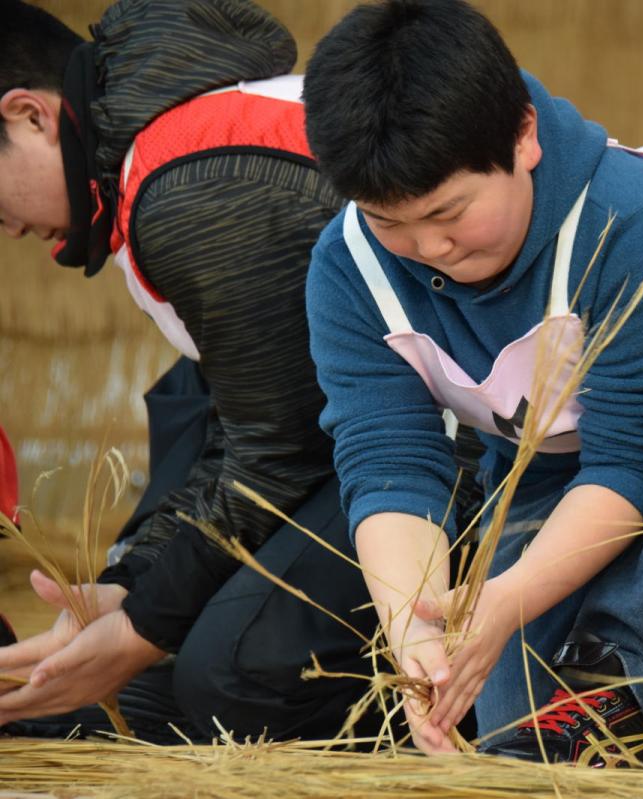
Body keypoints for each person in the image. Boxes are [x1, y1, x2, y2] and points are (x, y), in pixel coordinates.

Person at [302, 0, 643, 771]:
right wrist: (415, 632)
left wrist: (511, 596)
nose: (429, 247)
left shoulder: (639, 220)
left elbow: (632, 461)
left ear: (523, 137)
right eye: (391, 223)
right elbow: (388, 459)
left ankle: (627, 680)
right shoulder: (347, 268)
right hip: (558, 462)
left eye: (449, 212)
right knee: (523, 731)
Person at [0, 0, 456, 744]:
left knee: (234, 670)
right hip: (370, 422)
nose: (11, 228)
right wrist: (132, 585)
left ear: (29, 115)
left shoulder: (188, 190)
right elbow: (254, 417)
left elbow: (278, 453)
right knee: (177, 603)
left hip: (459, 439)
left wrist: (144, 625)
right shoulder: (169, 144)